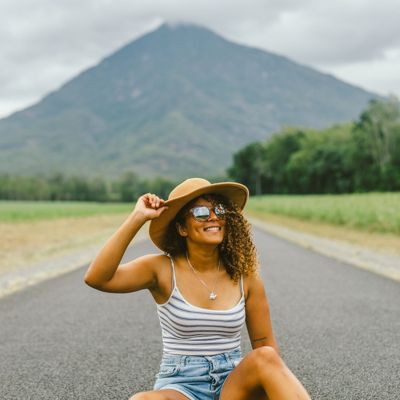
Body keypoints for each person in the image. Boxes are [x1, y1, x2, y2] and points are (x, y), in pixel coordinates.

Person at [84, 177, 311, 400]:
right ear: (182, 228)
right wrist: (137, 218)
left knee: (266, 357)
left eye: (219, 210)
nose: (213, 217)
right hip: (182, 386)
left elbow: (264, 346)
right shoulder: (161, 269)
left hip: (233, 386)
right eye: (201, 213)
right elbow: (98, 278)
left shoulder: (246, 277)